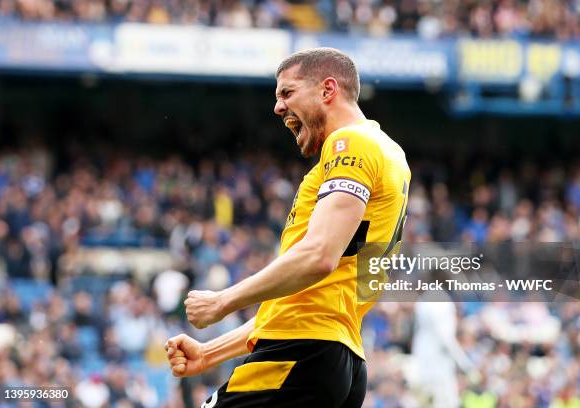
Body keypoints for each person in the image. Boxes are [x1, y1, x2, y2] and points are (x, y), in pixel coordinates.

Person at [164, 47, 411, 407]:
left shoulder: (351, 144)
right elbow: (308, 297)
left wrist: (223, 300)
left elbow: (318, 256)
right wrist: (210, 352)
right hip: (335, 357)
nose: (278, 107)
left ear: (328, 90)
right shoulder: (389, 154)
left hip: (303, 352)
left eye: (287, 93)